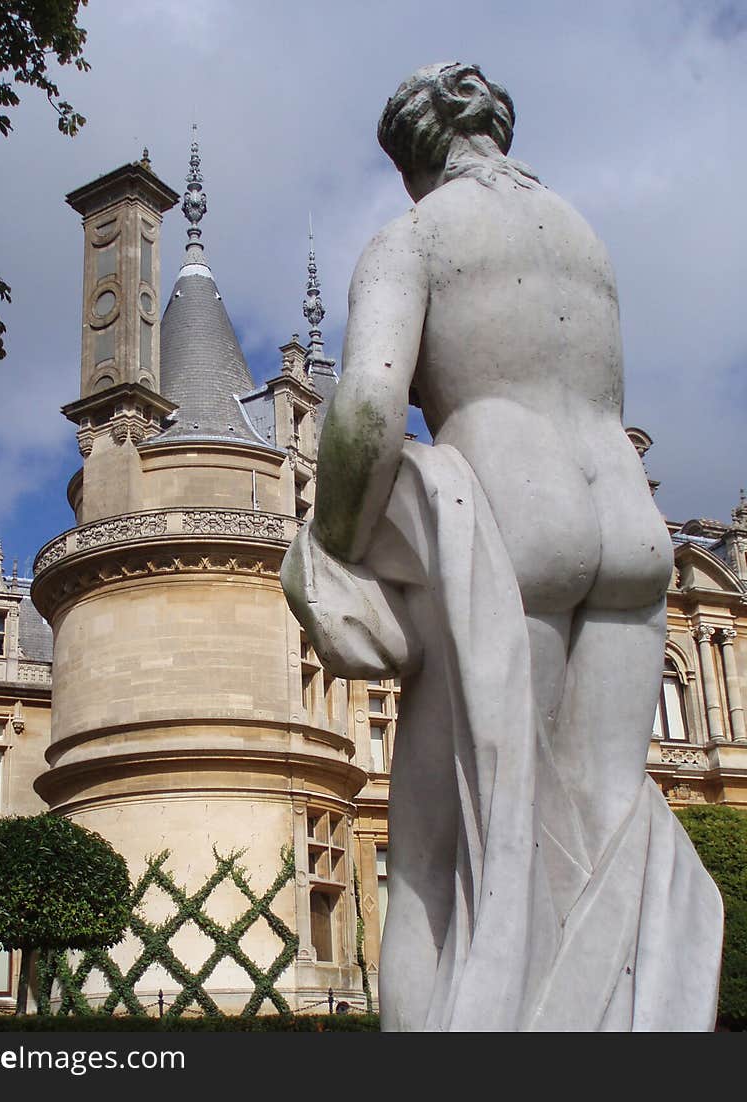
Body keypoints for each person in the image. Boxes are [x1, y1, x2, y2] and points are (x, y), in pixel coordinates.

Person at [281, 62, 723, 1031]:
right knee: (610, 813)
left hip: (510, 515)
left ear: (409, 158)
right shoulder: (578, 235)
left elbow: (364, 404)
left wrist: (333, 543)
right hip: (627, 523)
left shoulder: (414, 237)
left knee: (442, 858)